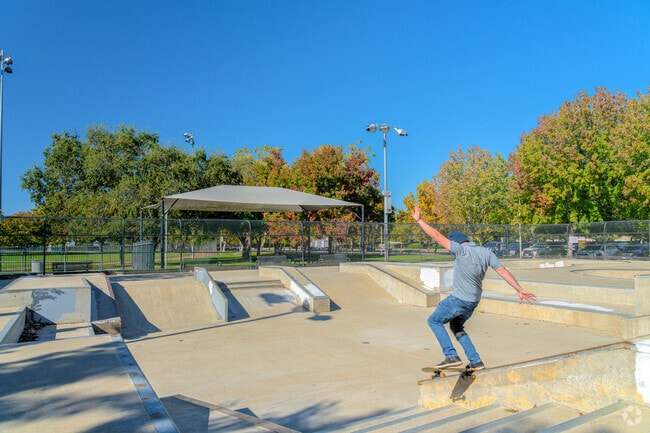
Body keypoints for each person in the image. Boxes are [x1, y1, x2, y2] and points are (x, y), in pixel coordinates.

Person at [411, 204, 537, 370]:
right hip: (473, 302)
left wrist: (420, 220)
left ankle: (450, 355)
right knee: (456, 326)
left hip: (458, 300)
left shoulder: (460, 250)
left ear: (456, 243)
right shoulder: (486, 252)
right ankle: (475, 360)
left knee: (434, 320)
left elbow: (437, 237)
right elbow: (502, 270)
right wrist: (519, 289)